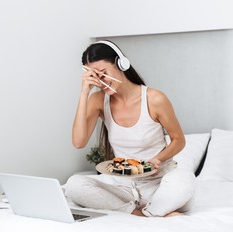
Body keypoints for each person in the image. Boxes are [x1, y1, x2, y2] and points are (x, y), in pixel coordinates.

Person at [65, 40, 196, 217]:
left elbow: (179, 140)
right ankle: (145, 213)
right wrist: (84, 93)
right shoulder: (98, 100)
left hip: (160, 185)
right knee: (73, 184)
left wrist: (157, 159)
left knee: (184, 178)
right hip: (125, 189)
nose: (100, 82)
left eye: (103, 74)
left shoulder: (154, 98)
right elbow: (79, 142)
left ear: (121, 64)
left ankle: (152, 210)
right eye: (94, 77)